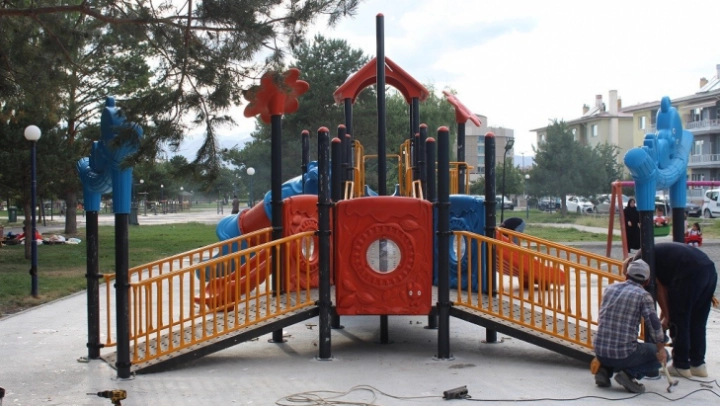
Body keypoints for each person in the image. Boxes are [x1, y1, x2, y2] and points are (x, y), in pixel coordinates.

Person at [635, 243, 717, 378]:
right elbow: (667, 292)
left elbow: (659, 289)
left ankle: (681, 365)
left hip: (688, 273)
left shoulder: (642, 260)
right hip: (708, 270)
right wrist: (664, 316)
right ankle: (697, 364)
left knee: (679, 320)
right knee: (698, 321)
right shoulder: (655, 254)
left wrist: (667, 317)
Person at [593, 259, 667, 393]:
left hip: (599, 351)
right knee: (661, 356)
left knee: (615, 344)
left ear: (626, 275)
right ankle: (629, 375)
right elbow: (654, 325)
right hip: (622, 355)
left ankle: (604, 370)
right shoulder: (643, 295)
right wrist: (661, 347)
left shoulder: (609, 289)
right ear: (647, 281)